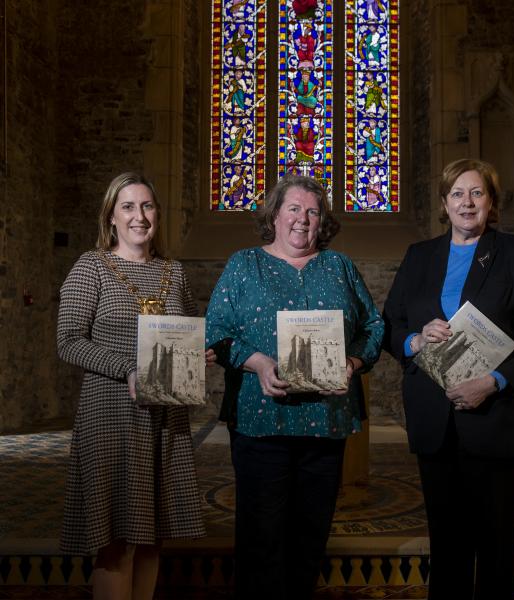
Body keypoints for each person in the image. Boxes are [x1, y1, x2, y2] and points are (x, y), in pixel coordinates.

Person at [383, 158, 514, 600]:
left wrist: (495, 381)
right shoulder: (419, 256)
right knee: (447, 544)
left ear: (491, 202)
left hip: (495, 418)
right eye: (458, 193)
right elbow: (390, 324)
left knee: (496, 545)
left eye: (477, 193)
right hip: (434, 421)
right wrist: (416, 341)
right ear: (444, 203)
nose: (467, 202)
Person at [206, 174, 384, 600]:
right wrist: (257, 362)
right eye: (294, 208)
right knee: (260, 540)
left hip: (325, 424)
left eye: (312, 210)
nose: (302, 219)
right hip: (260, 422)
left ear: (322, 220)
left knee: (309, 540)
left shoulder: (339, 267)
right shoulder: (243, 264)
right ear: (274, 213)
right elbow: (215, 330)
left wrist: (354, 361)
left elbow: (373, 326)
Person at [57, 172, 209, 600]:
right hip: (112, 416)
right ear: (110, 217)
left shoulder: (173, 272)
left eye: (147, 206)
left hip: (165, 417)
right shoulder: (91, 267)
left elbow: (187, 330)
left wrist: (197, 354)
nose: (139, 216)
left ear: (157, 214)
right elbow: (68, 341)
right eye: (128, 207)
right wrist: (126, 368)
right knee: (115, 544)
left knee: (151, 536)